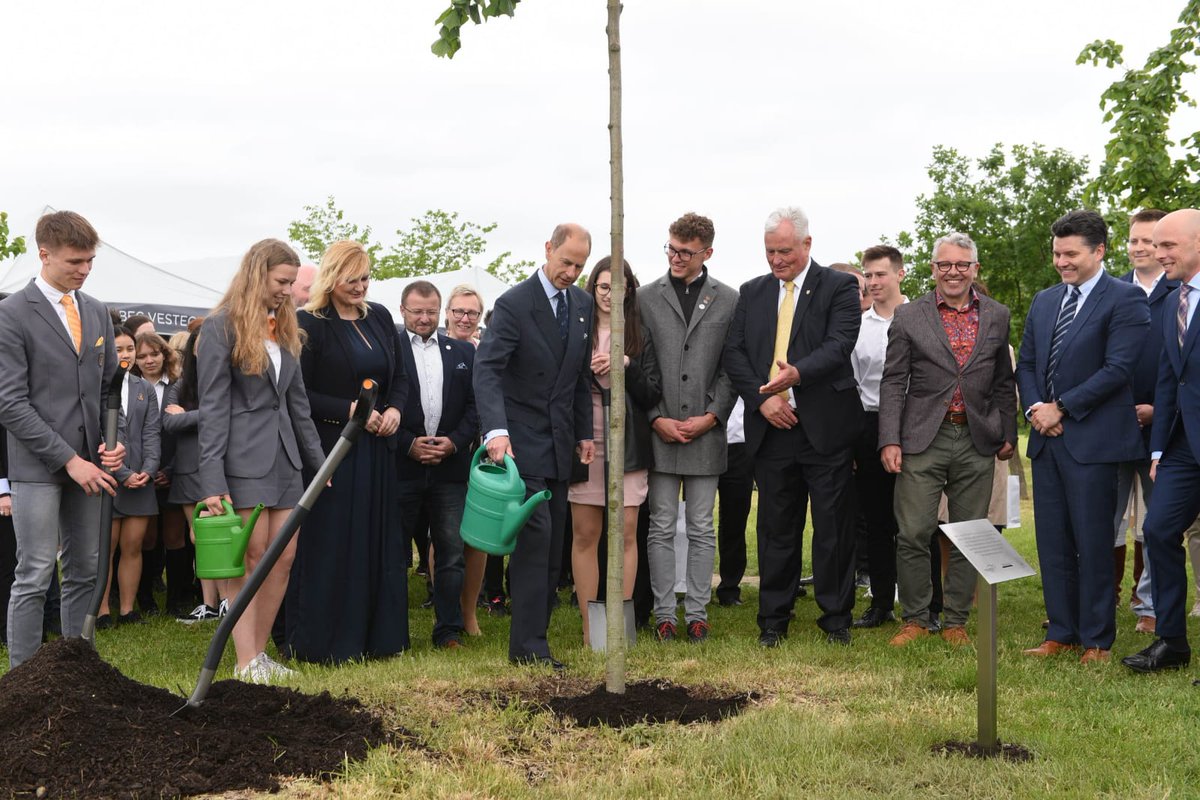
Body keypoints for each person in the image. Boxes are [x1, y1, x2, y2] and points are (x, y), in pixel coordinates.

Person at [724, 207, 863, 647]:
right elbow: (735, 354)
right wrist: (763, 399)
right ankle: (773, 619)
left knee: (832, 527)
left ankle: (836, 617)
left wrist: (796, 375)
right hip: (771, 429)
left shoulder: (839, 287)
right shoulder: (752, 292)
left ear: (807, 244)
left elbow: (839, 345)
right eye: (770, 252)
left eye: (784, 250)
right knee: (776, 527)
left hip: (824, 427)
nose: (777, 260)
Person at [1016, 210, 1148, 664]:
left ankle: (1096, 641)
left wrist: (1063, 407)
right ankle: (1061, 632)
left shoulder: (1126, 300)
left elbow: (1118, 369)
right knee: (1052, 541)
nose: (1061, 262)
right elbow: (1027, 363)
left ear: (1099, 251)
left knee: (1093, 542)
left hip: (1095, 443)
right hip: (1046, 439)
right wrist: (1036, 408)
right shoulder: (1045, 300)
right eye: (1056, 253)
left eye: (1070, 254)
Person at [0, 210, 125, 667]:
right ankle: (23, 682)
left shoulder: (95, 311)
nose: (85, 269)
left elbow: (110, 387)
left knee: (87, 572)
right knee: (33, 573)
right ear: (45, 254)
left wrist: (116, 440)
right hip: (38, 468)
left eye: (90, 261)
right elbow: (10, 403)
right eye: (76, 261)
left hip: (93, 465)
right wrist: (69, 459)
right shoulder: (11, 313)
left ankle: (79, 675)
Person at [878, 233, 1017, 647]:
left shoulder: (997, 314)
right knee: (913, 532)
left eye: (961, 265)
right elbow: (892, 382)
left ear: (974, 268)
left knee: (970, 532)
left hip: (977, 438)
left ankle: (956, 620)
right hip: (923, 438)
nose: (952, 273)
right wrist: (889, 439)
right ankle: (918, 618)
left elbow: (1002, 383)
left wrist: (1007, 433)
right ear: (933, 268)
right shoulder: (909, 316)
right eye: (944, 265)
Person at [197, 238, 325, 682]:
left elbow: (298, 405)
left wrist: (318, 462)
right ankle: (245, 658)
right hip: (239, 460)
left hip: (286, 460)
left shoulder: (286, 329)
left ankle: (260, 654)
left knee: (282, 558)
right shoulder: (220, 328)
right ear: (257, 274)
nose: (288, 291)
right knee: (248, 558)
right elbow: (212, 408)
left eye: (292, 283)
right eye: (282, 281)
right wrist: (211, 476)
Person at [473, 222, 596, 670]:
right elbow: (486, 370)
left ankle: (535, 636)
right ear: (548, 249)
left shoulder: (582, 305)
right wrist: (495, 431)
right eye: (566, 262)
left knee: (552, 544)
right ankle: (528, 646)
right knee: (536, 538)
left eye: (579, 266)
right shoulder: (513, 304)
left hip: (561, 445)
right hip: (519, 444)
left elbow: (579, 378)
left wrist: (585, 432)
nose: (571, 272)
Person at [286, 241, 407, 663]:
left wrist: (394, 409)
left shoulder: (382, 318)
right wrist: (349, 411)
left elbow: (401, 376)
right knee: (331, 542)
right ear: (331, 277)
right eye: (352, 279)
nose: (360, 287)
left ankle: (379, 638)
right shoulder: (309, 323)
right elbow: (298, 392)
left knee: (377, 541)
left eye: (365, 278)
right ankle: (324, 640)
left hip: (377, 452)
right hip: (332, 449)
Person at [569, 257, 662, 646]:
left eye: (618, 287)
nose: (610, 295)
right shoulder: (577, 329)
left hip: (628, 442)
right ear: (593, 289)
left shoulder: (640, 335)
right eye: (604, 287)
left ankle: (620, 630)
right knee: (586, 533)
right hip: (585, 438)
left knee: (625, 533)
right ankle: (592, 631)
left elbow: (652, 392)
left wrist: (625, 363)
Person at [1123, 208, 1200, 673]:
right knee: (1158, 531)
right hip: (1179, 447)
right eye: (1155, 244)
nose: (1157, 252)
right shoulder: (1174, 299)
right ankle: (1171, 642)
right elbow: (1171, 380)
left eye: (1168, 245)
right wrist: (1157, 450)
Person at [395, 280, 478, 649]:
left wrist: (455, 443)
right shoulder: (389, 350)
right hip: (402, 466)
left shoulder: (462, 351)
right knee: (395, 554)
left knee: (451, 552)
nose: (424, 318)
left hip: (449, 469)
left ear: (440, 311)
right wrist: (408, 445)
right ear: (403, 311)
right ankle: (393, 631)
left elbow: (477, 406)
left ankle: (448, 629)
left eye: (431, 311)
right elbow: (380, 408)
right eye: (417, 311)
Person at [1114, 208, 1175, 634]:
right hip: (1112, 429)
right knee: (1102, 520)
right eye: (1133, 240)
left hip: (1164, 429)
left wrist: (1158, 409)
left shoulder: (1180, 292)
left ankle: (1150, 606)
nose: (1138, 247)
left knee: (1157, 523)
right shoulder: (1112, 292)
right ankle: (1096, 598)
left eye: (1148, 241)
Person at [849, 245, 907, 629]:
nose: (873, 283)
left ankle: (929, 607)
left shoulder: (921, 316)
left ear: (900, 274)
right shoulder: (858, 327)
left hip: (915, 424)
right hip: (870, 425)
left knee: (919, 522)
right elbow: (853, 384)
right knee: (878, 521)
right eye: (868, 276)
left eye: (880, 275)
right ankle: (881, 602)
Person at [97, 325, 161, 627]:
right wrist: (121, 473)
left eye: (129, 349)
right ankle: (102, 612)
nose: (125, 355)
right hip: (107, 476)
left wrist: (148, 469)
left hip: (140, 479)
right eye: (119, 349)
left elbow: (152, 432)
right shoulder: (97, 385)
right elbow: (99, 433)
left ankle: (127, 609)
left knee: (133, 546)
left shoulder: (144, 388)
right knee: (105, 548)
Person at [165, 327, 227, 623]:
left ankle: (229, 599)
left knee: (224, 532)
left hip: (224, 466)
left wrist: (192, 416)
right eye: (201, 344)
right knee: (198, 534)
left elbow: (232, 413)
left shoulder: (228, 380)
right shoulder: (181, 385)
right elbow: (168, 423)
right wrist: (211, 414)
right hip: (190, 468)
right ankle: (208, 603)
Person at [132, 330, 191, 617]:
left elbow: (187, 433)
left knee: (175, 536)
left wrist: (171, 469)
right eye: (141, 356)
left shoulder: (179, 385)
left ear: (164, 354)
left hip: (173, 469)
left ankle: (176, 600)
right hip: (141, 471)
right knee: (146, 538)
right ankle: (145, 598)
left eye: (153, 354)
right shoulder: (130, 386)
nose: (148, 360)